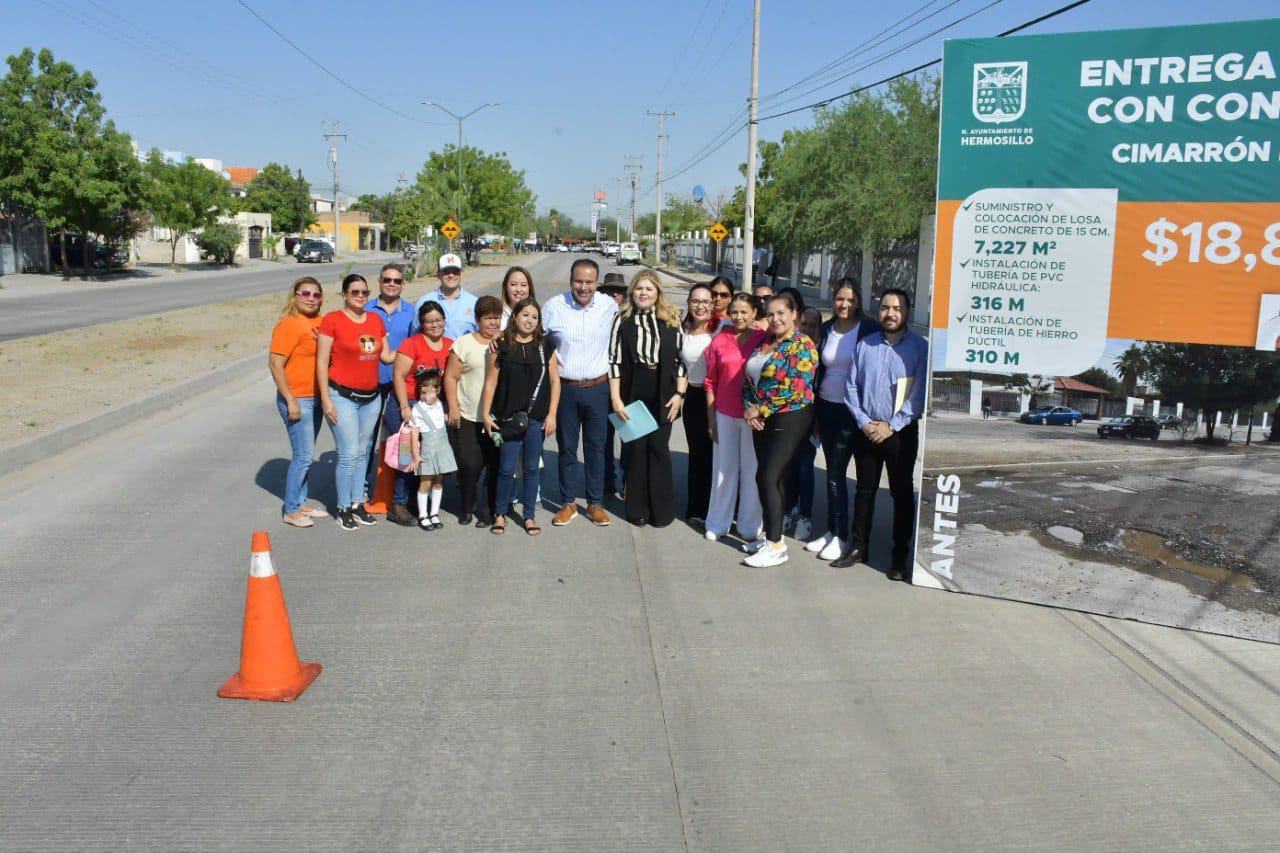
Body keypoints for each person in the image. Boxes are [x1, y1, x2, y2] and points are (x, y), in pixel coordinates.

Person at [831, 288, 929, 580]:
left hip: (900, 432)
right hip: (868, 429)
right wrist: (864, 422)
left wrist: (892, 425)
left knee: (901, 493)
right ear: (878, 311)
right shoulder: (865, 344)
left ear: (907, 312)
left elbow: (919, 393)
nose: (890, 313)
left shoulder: (920, 347)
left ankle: (900, 557)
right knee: (864, 491)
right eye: (885, 308)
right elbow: (851, 386)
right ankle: (858, 548)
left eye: (897, 308)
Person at [740, 291, 818, 567]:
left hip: (790, 416)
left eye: (781, 313)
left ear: (794, 314)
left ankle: (774, 546)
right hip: (761, 416)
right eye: (771, 314)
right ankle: (774, 537)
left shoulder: (803, 345)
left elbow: (794, 387)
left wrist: (760, 408)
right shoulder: (765, 342)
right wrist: (749, 407)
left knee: (767, 476)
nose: (775, 319)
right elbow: (750, 379)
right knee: (773, 479)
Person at [807, 278, 882, 560]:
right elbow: (819, 368)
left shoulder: (870, 328)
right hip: (827, 407)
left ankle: (842, 536)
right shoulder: (828, 328)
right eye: (840, 298)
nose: (845, 304)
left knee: (844, 475)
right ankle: (833, 531)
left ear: (859, 301)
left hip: (855, 411)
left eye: (850, 299)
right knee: (833, 473)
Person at [542, 258, 618, 527]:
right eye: (578, 281)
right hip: (566, 390)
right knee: (567, 449)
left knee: (596, 448)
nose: (583, 287)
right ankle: (568, 503)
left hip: (599, 388)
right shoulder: (554, 307)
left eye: (589, 282)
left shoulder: (609, 306)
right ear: (570, 280)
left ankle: (596, 503)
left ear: (597, 283)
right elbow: (533, 336)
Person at [608, 269, 688, 527]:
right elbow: (614, 360)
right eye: (639, 288)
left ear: (657, 293)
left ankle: (661, 512)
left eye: (649, 289)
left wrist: (679, 394)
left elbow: (681, 360)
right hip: (633, 387)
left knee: (659, 449)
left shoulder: (671, 318)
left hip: (664, 389)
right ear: (632, 292)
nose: (644, 293)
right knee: (636, 450)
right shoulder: (622, 319)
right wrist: (616, 400)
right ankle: (638, 510)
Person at [316, 273, 396, 531]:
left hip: (371, 398)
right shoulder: (332, 320)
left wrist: (416, 348)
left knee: (363, 451)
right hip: (342, 396)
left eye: (364, 292)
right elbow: (321, 362)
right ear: (344, 294)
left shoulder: (374, 319)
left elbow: (386, 356)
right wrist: (326, 399)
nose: (360, 296)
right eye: (355, 292)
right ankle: (342, 508)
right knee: (348, 453)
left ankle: (356, 503)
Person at [480, 298, 560, 535]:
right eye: (525, 315)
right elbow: (491, 383)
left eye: (534, 317)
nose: (530, 320)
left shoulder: (545, 345)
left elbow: (555, 381)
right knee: (506, 468)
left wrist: (552, 414)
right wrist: (485, 414)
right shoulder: (502, 345)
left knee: (532, 469)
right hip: (507, 420)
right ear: (514, 316)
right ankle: (500, 513)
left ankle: (529, 516)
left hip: (536, 419)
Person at [703, 292, 768, 544]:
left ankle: (750, 525)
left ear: (754, 313)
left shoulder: (764, 340)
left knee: (752, 471)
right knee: (724, 469)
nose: (739, 317)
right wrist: (712, 421)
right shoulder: (720, 340)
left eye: (744, 312)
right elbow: (710, 382)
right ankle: (717, 523)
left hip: (753, 416)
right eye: (734, 312)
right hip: (724, 414)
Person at [268, 276, 328, 527]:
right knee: (303, 456)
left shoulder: (322, 322)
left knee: (306, 453)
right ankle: (291, 509)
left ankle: (301, 502)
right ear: (295, 296)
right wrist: (290, 399)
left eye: (316, 295)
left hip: (317, 398)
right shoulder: (289, 324)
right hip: (297, 398)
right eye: (306, 294)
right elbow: (276, 365)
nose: (311, 299)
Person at [443, 294, 503, 526]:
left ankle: (487, 511)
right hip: (468, 416)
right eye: (488, 318)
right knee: (470, 464)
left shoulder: (506, 342)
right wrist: (453, 407)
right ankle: (467, 507)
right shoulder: (464, 344)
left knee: (494, 463)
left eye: (497, 318)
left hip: (496, 419)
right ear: (478, 320)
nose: (493, 323)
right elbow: (451, 377)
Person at [390, 301, 453, 523]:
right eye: (429, 321)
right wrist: (404, 407)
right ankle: (399, 504)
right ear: (422, 324)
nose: (434, 325)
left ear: (444, 320)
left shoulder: (450, 345)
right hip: (407, 403)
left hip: (433, 406)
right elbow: (398, 376)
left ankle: (419, 503)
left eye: (438, 320)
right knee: (406, 455)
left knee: (428, 456)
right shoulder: (411, 344)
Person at [366, 262, 418, 524]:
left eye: (397, 281)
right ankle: (364, 490)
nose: (391, 284)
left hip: (400, 388)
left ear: (403, 285)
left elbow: (415, 347)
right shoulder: (366, 310)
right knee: (367, 441)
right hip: (370, 385)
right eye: (387, 279)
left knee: (402, 441)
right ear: (379, 282)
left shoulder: (411, 312)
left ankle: (402, 497)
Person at [679, 282, 720, 525]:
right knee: (697, 454)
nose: (700, 306)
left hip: (719, 397)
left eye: (706, 301)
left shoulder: (723, 328)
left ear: (713, 305)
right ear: (688, 303)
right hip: (694, 397)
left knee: (719, 455)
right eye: (695, 301)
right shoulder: (681, 328)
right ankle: (697, 508)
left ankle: (720, 510)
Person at [782, 305, 824, 542]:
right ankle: (788, 510)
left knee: (806, 467)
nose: (808, 329)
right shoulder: (791, 348)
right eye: (804, 324)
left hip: (812, 418)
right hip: (790, 417)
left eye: (813, 325)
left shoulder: (822, 354)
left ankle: (805, 517)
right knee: (790, 466)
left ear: (819, 329)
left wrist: (817, 419)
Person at [408, 368, 457, 531]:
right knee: (425, 483)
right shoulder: (417, 408)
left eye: (430, 393)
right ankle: (423, 515)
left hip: (442, 448)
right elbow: (414, 433)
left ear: (438, 390)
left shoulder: (441, 405)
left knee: (438, 482)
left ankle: (434, 514)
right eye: (423, 393)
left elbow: (444, 421)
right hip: (427, 450)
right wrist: (416, 455)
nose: (426, 396)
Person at [598, 273, 629, 497]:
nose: (615, 294)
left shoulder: (631, 316)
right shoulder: (597, 315)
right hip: (602, 384)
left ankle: (628, 480)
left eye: (619, 291)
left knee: (628, 435)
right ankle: (607, 478)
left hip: (626, 385)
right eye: (610, 290)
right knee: (604, 436)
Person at [416, 253, 477, 339]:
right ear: (438, 274)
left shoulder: (474, 303)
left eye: (455, 271)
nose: (451, 275)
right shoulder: (423, 302)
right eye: (446, 271)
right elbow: (415, 337)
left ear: (461, 273)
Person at [499, 266, 537, 331]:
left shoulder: (537, 314)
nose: (518, 290)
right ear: (505, 287)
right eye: (513, 284)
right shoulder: (498, 316)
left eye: (523, 285)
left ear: (529, 288)